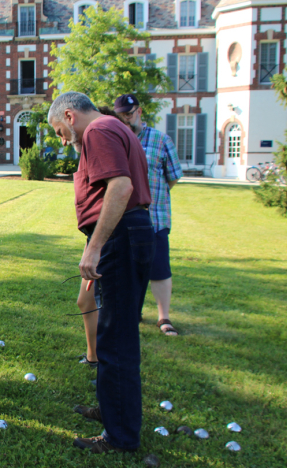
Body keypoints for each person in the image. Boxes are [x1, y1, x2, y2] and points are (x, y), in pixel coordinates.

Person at [47, 92, 154, 453]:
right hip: (128, 235)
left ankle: (120, 436)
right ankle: (113, 411)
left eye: (60, 131)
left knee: (115, 339)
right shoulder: (116, 127)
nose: (63, 140)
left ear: (69, 115)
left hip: (121, 237)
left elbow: (121, 188)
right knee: (116, 334)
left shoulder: (98, 131)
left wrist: (95, 246)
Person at [114, 94, 182, 336]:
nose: (125, 119)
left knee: (159, 268)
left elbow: (173, 176)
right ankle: (134, 312)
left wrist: (154, 195)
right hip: (125, 219)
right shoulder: (117, 140)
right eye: (121, 115)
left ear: (139, 112)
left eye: (129, 114)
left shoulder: (161, 140)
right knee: (129, 269)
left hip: (156, 218)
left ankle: (164, 317)